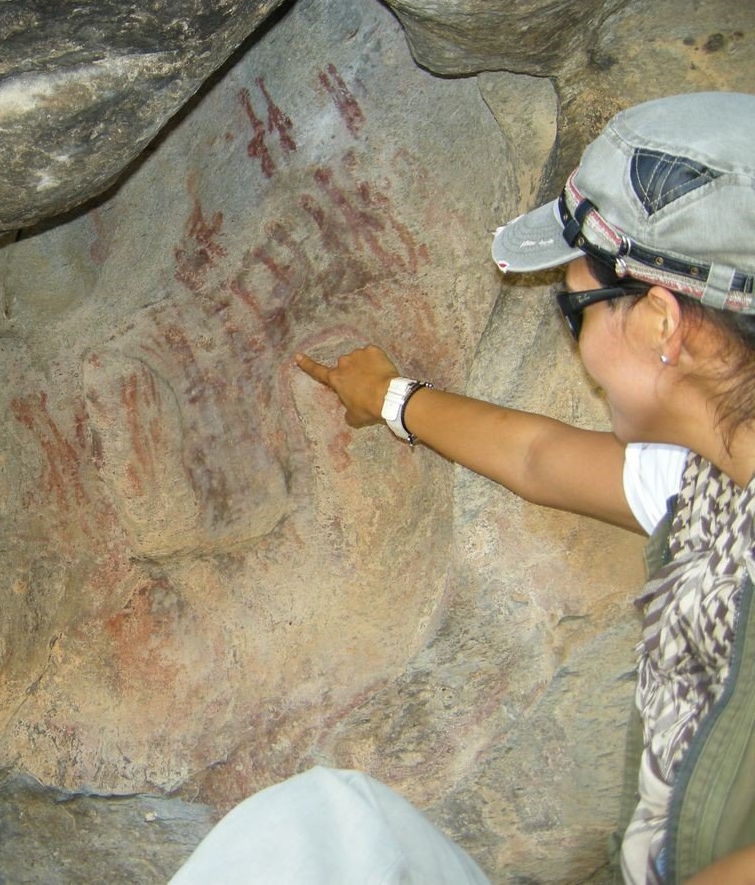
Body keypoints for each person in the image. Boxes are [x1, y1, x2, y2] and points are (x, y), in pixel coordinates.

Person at [172, 91, 755, 884]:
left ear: (661, 322)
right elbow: (540, 458)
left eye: (573, 305)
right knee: (324, 829)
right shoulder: (714, 481)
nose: (576, 335)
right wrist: (390, 399)